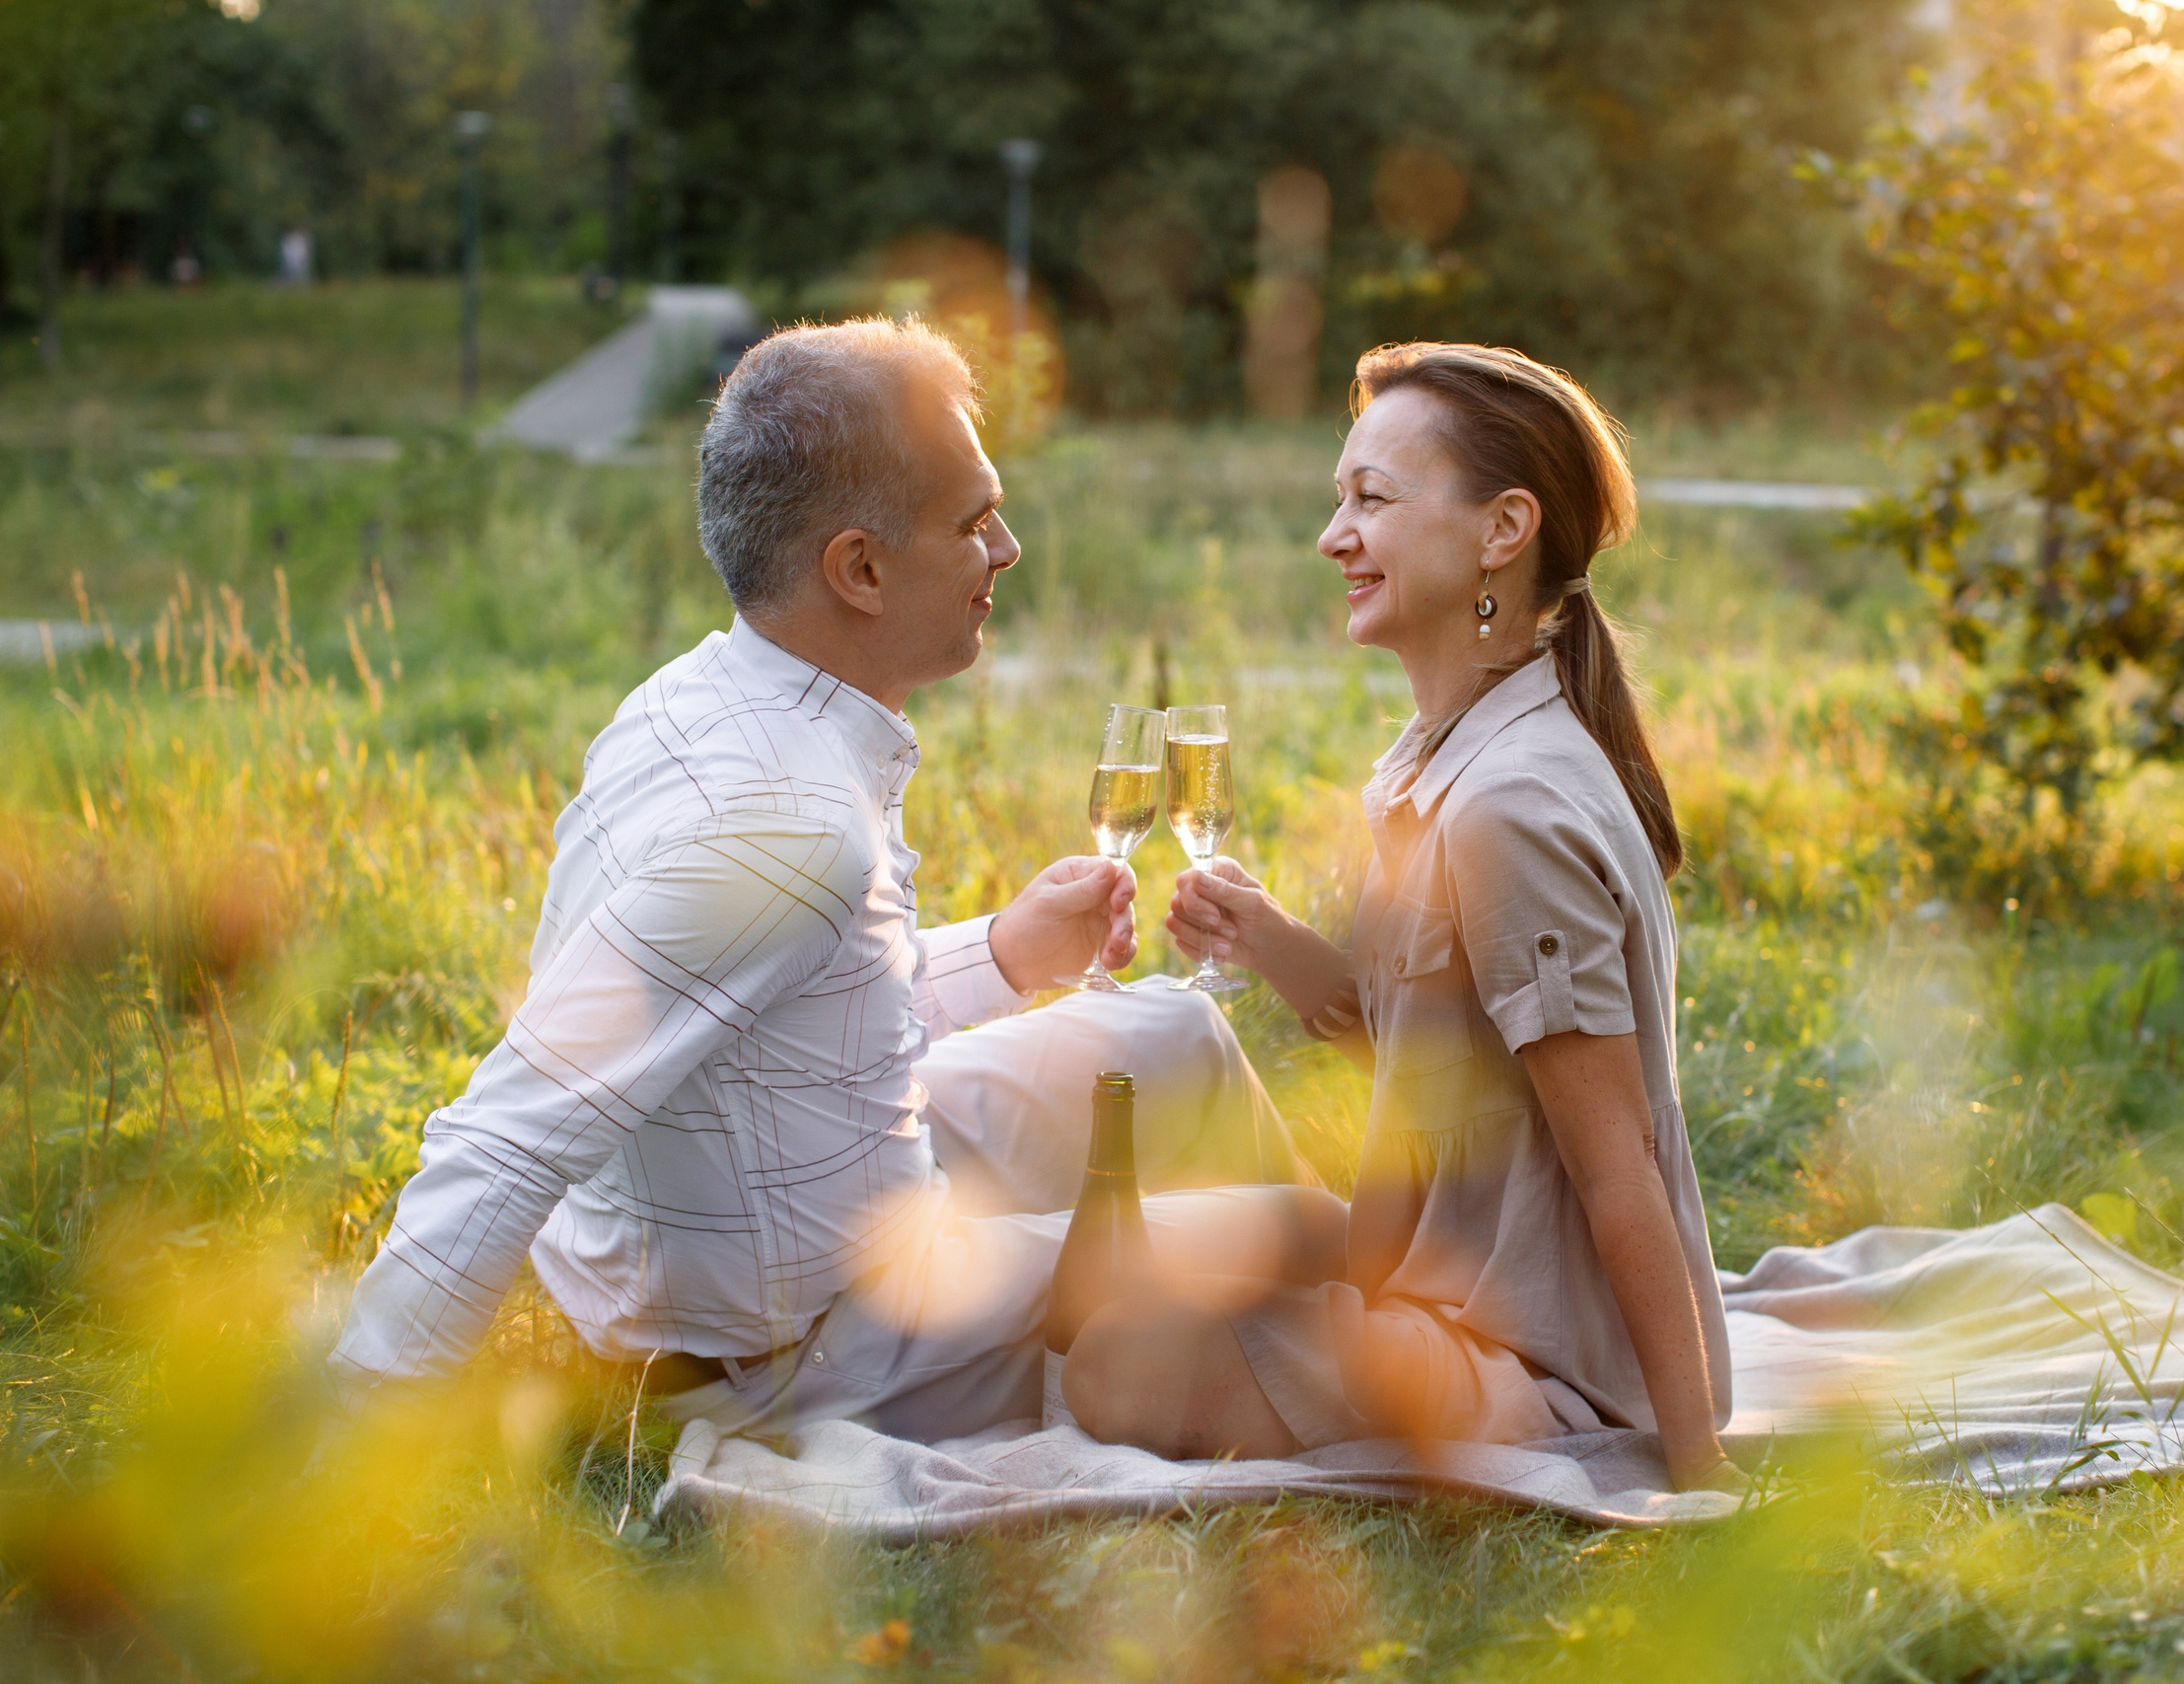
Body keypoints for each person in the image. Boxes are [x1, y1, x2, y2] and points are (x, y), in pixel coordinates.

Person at [327, 319, 1341, 1445]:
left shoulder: (700, 694)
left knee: (1171, 1037)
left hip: (814, 1196)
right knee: (1307, 1232)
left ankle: (1255, 1347)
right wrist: (342, 1457)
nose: (1006, 548)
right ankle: (1366, 1374)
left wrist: (1003, 952)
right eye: (972, 521)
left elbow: (787, 1036)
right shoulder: (786, 832)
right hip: (821, 1343)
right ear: (858, 568)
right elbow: (510, 1135)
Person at [1060, 343, 1741, 1492]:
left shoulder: (1510, 805)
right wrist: (1267, 940)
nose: (1333, 537)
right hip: (1434, 1279)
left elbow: (1612, 1159)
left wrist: (1693, 1460)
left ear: (1501, 529)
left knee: (1112, 1365)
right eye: (1340, 499)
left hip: (1542, 1360)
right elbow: (1444, 1058)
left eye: (1369, 500)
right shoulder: (1454, 756)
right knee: (1115, 1266)